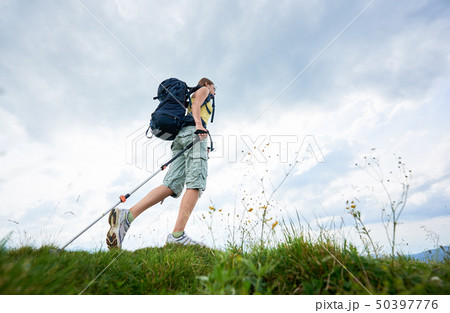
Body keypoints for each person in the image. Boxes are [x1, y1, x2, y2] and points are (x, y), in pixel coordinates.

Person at [106, 78, 216, 249]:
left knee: (171, 185)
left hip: (182, 137)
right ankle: (178, 235)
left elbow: (193, 107)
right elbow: (196, 108)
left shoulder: (192, 94)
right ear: (208, 84)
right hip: (194, 134)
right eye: (214, 87)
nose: (215, 91)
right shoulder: (204, 90)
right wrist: (199, 126)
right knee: (196, 182)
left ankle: (127, 216)